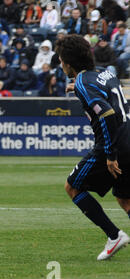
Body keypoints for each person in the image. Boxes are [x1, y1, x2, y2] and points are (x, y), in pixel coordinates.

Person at [56, 34, 130, 260]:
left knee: (72, 188)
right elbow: (104, 94)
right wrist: (76, 88)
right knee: (125, 198)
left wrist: (110, 154)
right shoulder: (105, 73)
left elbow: (107, 114)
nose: (60, 64)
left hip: (113, 143)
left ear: (68, 63)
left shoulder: (83, 83)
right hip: (129, 135)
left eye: (60, 60)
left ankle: (114, 235)